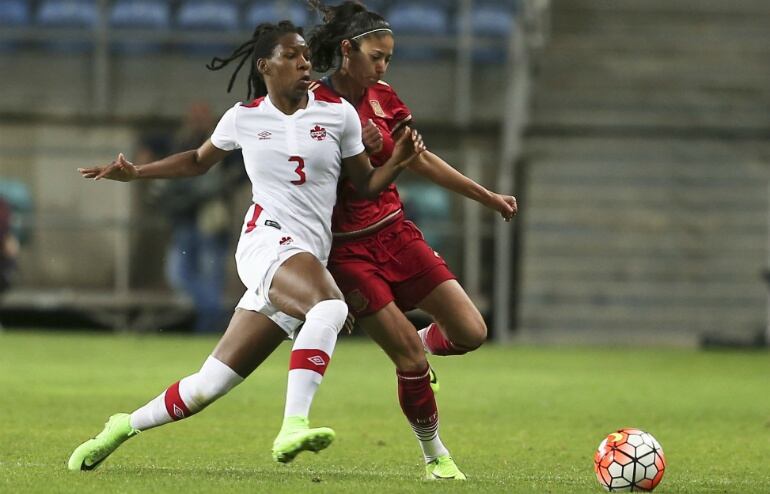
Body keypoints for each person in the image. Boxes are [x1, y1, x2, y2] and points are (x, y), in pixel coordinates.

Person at [67, 20, 425, 471]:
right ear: (266, 65)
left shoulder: (338, 115)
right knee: (330, 309)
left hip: (304, 258)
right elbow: (198, 161)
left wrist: (396, 162)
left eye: (306, 56)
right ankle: (294, 425)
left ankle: (122, 424)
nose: (303, 62)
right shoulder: (245, 117)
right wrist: (137, 172)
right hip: (266, 242)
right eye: (292, 55)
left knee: (207, 386)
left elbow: (365, 185)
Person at [305, 0, 518, 480]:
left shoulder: (383, 98)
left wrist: (486, 196)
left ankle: (420, 341)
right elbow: (302, 177)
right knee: (408, 359)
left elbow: (418, 158)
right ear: (347, 51)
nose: (382, 67)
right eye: (376, 57)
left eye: (388, 58)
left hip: (396, 233)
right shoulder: (315, 105)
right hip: (347, 250)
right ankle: (435, 456)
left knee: (471, 332)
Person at [140, 102, 244, 333]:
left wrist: (219, 186)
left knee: (211, 276)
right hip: (185, 219)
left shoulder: (221, 140)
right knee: (179, 275)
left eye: (202, 115)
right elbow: (153, 142)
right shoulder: (182, 140)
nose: (197, 120)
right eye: (194, 115)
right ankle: (213, 314)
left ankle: (208, 324)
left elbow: (240, 170)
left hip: (210, 220)